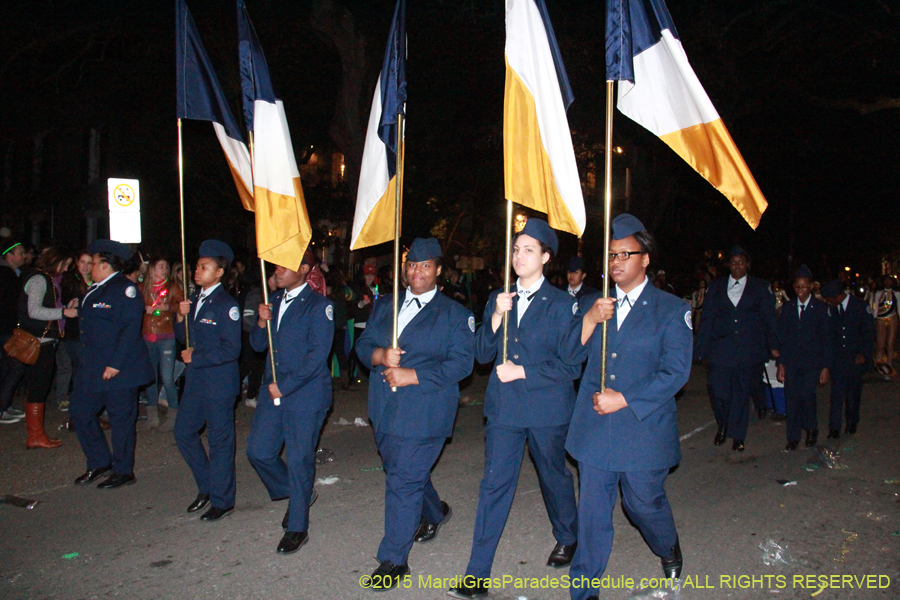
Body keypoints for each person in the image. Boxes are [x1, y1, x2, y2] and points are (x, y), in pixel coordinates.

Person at [560, 214, 692, 600]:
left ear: (645, 259)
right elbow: (567, 357)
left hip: (642, 426)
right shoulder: (594, 303)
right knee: (592, 515)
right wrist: (589, 320)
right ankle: (584, 590)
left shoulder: (671, 309)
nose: (615, 262)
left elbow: (676, 372)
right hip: (597, 427)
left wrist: (625, 397)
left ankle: (667, 545)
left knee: (642, 503)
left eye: (624, 254)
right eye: (611, 255)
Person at [449, 219, 579, 599]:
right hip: (505, 409)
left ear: (545, 258)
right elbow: (481, 354)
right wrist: (495, 316)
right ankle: (477, 574)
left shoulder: (563, 304)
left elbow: (571, 366)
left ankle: (568, 535)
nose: (519, 256)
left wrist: (523, 371)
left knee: (553, 477)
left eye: (528, 250)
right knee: (494, 485)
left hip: (546, 409)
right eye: (516, 249)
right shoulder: (500, 297)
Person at [356, 238, 474, 591]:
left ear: (438, 270)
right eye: (412, 264)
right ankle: (435, 511)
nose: (417, 271)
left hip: (425, 410)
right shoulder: (385, 305)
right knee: (403, 471)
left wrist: (414, 375)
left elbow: (462, 364)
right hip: (385, 409)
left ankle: (394, 559)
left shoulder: (455, 314)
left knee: (402, 481)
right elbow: (363, 345)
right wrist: (379, 355)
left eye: (425, 265)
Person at [246, 250, 334, 554]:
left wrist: (284, 387)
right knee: (258, 451)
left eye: (284, 266)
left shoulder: (319, 306)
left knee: (299, 460)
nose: (277, 271)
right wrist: (261, 321)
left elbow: (317, 357)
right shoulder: (274, 301)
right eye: (276, 266)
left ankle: (297, 527)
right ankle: (300, 493)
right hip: (274, 390)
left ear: (304, 269)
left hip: (305, 393)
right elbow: (258, 345)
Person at [70, 240, 153, 489]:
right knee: (80, 412)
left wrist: (116, 364)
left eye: (94, 263)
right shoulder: (96, 288)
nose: (90, 267)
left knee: (120, 420)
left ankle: (123, 470)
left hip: (120, 368)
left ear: (106, 265)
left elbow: (130, 329)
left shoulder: (125, 289)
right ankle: (99, 462)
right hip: (94, 366)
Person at [174, 240, 242, 521]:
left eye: (205, 267)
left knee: (219, 442)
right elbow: (184, 339)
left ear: (219, 273)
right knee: (183, 432)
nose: (197, 270)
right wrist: (180, 317)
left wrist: (197, 356)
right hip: (196, 382)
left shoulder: (227, 305)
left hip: (218, 384)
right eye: (197, 266)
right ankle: (208, 486)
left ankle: (223, 500)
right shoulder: (193, 300)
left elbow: (231, 349)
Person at [694, 245, 779, 451]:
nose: (737, 266)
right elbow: (708, 319)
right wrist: (700, 349)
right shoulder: (716, 287)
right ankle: (723, 423)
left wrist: (774, 344)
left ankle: (738, 435)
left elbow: (769, 319)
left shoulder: (760, 287)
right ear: (728, 265)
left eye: (741, 262)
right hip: (720, 349)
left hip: (748, 349)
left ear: (747, 265)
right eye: (733, 262)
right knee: (717, 390)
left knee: (740, 394)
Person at [16, 246, 79, 448]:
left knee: (39, 387)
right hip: (39, 343)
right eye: (65, 264)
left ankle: (36, 434)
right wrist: (63, 313)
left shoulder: (43, 278)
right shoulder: (39, 279)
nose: (66, 269)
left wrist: (64, 308)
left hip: (43, 341)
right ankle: (35, 435)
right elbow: (34, 311)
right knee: (38, 388)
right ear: (56, 261)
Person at [776, 266, 831, 450]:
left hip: (812, 362)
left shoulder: (821, 308)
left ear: (811, 287)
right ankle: (793, 437)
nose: (801, 290)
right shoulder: (788, 307)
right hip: (792, 361)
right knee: (791, 398)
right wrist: (781, 363)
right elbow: (783, 338)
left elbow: (826, 339)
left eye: (804, 286)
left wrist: (825, 367)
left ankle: (811, 428)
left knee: (807, 396)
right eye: (798, 287)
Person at [821, 279, 875, 438]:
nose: (828, 302)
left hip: (854, 357)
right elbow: (828, 334)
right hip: (838, 358)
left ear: (838, 296)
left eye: (830, 299)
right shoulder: (831, 309)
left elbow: (869, 332)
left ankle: (852, 422)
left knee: (853, 393)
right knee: (836, 394)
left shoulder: (860, 306)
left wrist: (864, 353)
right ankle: (834, 428)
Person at [141, 257, 184, 430]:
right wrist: (143, 309)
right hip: (147, 336)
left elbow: (183, 304)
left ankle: (174, 416)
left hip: (166, 336)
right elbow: (132, 305)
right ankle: (152, 416)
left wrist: (168, 308)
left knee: (167, 378)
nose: (164, 269)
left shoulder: (172, 286)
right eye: (160, 266)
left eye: (166, 266)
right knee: (150, 378)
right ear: (152, 269)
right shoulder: (143, 287)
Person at [56, 250, 93, 413]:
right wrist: (69, 305)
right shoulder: (69, 280)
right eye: (83, 262)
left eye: (89, 263)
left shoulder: (96, 281)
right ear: (77, 263)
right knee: (66, 366)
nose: (85, 266)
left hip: (88, 330)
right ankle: (62, 397)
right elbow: (63, 303)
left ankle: (81, 398)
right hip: (70, 330)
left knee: (82, 366)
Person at [0, 240, 27, 424]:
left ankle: (5, 404)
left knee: (7, 367)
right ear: (9, 256)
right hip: (5, 329)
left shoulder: (12, 273)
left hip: (6, 328)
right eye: (20, 253)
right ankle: (2, 408)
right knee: (15, 367)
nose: (24, 256)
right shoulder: (6, 275)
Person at [347, 263, 378, 386]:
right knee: (356, 350)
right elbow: (354, 306)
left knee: (370, 350)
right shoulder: (358, 288)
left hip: (371, 322)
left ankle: (366, 377)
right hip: (361, 322)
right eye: (367, 275)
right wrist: (363, 303)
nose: (370, 277)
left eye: (372, 275)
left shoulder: (374, 287)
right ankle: (350, 377)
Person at [872, 276, 900, 366]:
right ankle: (879, 361)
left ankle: (889, 363)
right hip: (881, 319)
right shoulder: (878, 293)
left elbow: (899, 307)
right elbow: (875, 307)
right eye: (886, 281)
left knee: (890, 343)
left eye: (889, 281)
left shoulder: (896, 294)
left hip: (892, 318)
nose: (888, 283)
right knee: (880, 343)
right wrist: (875, 318)